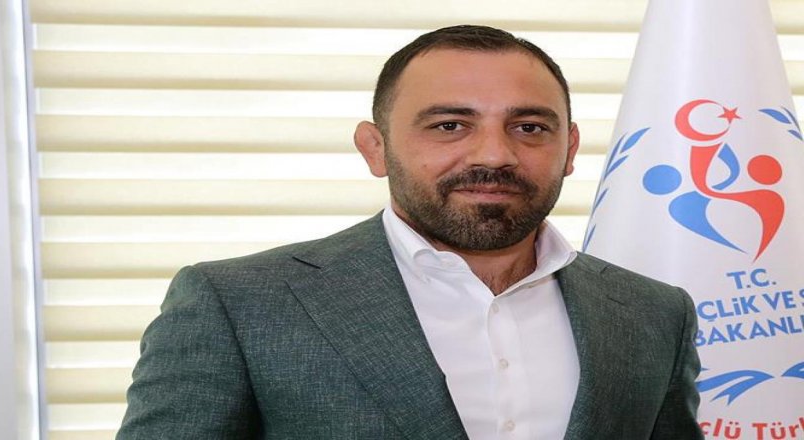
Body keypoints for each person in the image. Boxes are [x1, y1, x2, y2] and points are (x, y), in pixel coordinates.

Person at [117, 25, 703, 439]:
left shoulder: (655, 314)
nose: (494, 154)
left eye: (529, 127)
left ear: (569, 149)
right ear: (375, 148)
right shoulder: (237, 305)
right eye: (450, 125)